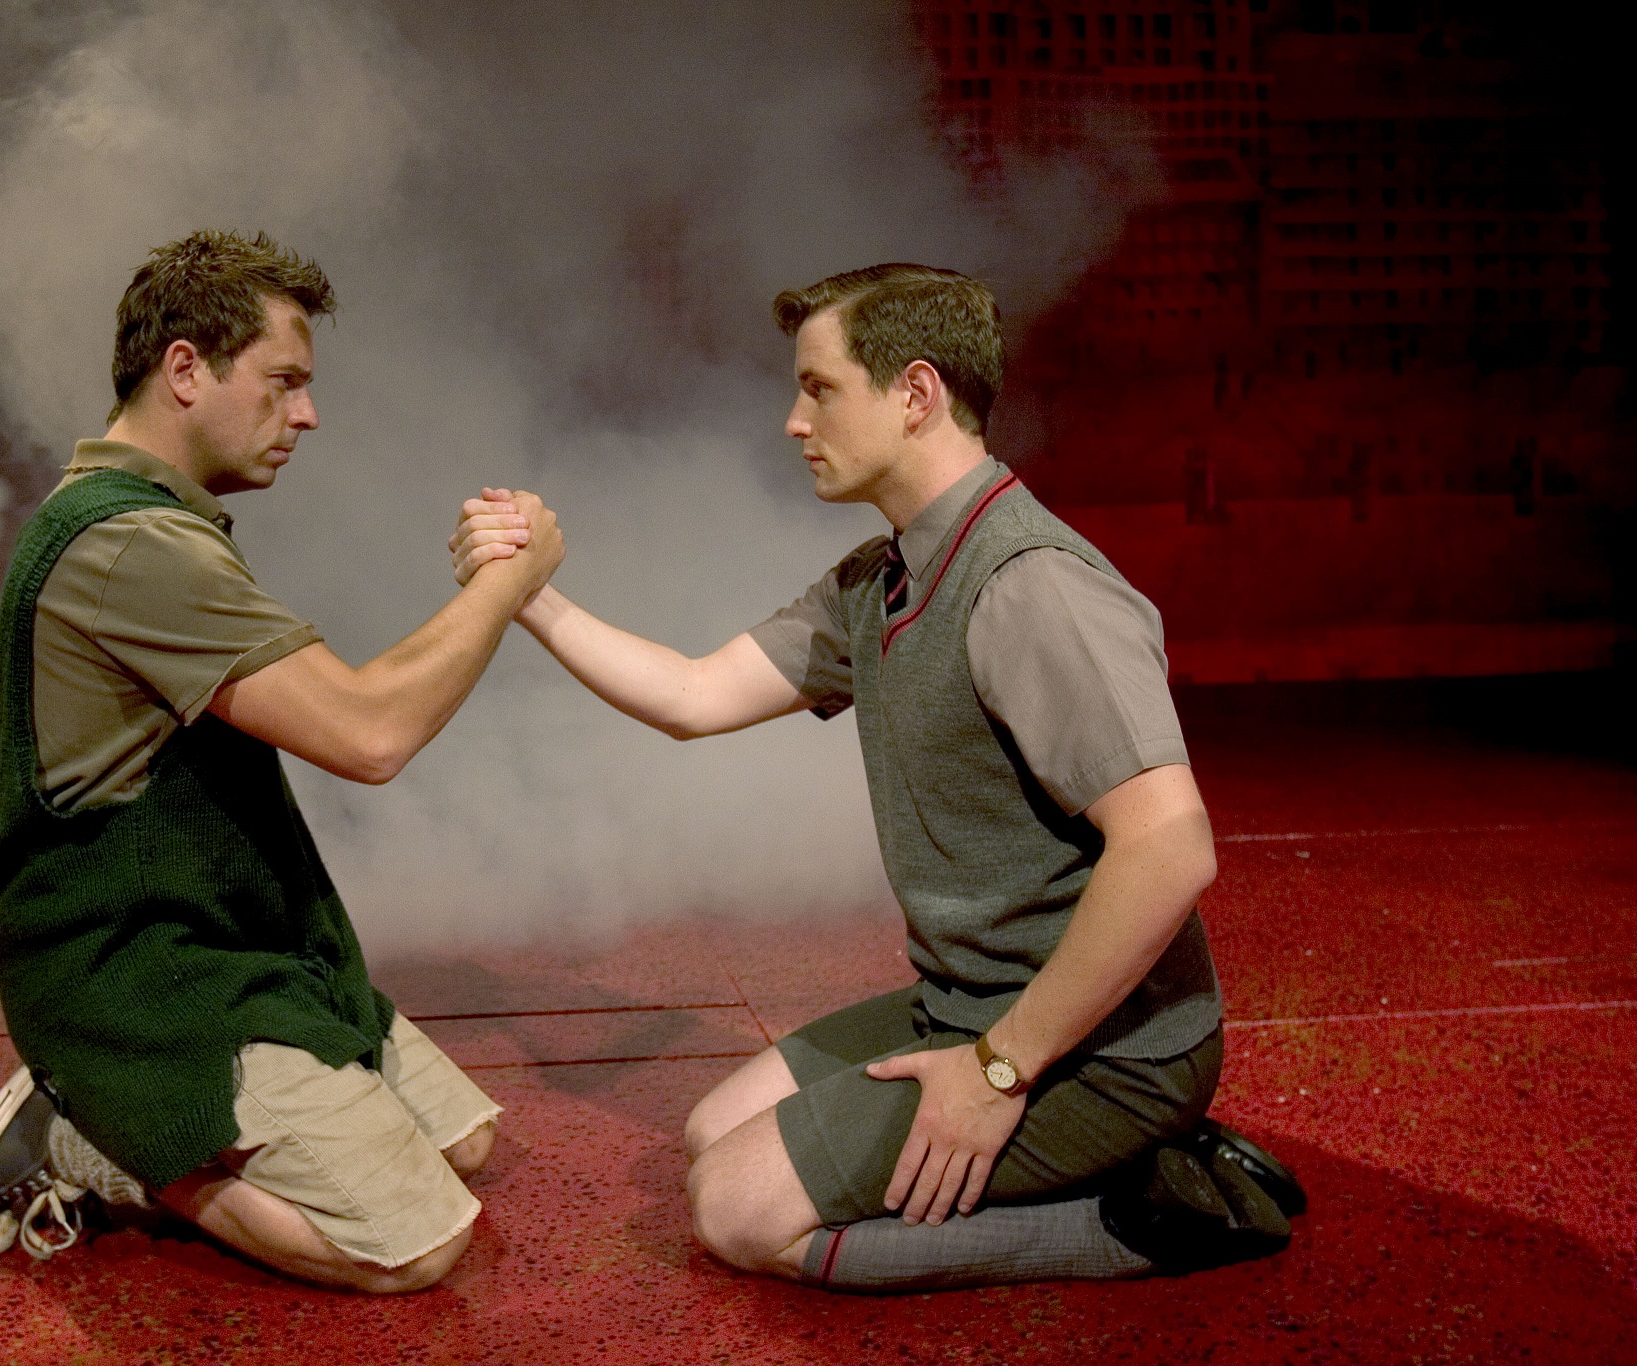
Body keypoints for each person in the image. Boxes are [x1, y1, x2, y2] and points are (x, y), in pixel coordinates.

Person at [450, 263, 1305, 1292]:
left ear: (915, 393)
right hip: (968, 1003)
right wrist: (527, 597)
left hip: (1106, 1049)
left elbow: (1170, 847)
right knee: (711, 1131)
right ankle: (1096, 1156)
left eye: (819, 389)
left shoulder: (1030, 584)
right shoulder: (881, 578)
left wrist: (996, 1073)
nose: (793, 421)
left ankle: (1151, 1217)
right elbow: (690, 694)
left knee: (735, 1210)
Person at [0, 229, 563, 1294]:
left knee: (466, 1146)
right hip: (138, 978)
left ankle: (149, 1114)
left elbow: (353, 708)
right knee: (413, 1246)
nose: (306, 414)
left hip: (232, 947)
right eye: (283, 381)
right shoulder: (128, 545)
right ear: (185, 369)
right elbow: (369, 734)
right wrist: (509, 580)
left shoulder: (154, 524)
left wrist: (495, 588)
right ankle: (86, 1133)